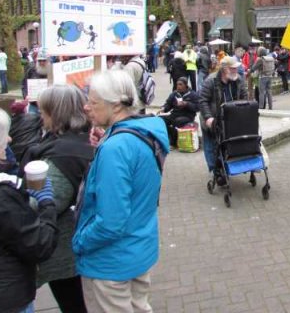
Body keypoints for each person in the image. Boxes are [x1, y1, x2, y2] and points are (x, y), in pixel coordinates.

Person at [74, 70, 169, 312]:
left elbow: (110, 222)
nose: (86, 107)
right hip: (140, 247)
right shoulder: (148, 131)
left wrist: (79, 242)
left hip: (110, 262)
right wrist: (108, 138)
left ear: (115, 105)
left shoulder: (116, 148)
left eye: (93, 102)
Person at [0, 106, 58, 313]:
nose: (10, 140)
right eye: (3, 135)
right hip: (3, 299)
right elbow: (39, 244)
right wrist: (47, 205)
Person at [20, 85, 94, 313]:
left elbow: (47, 201)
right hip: (75, 245)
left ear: (56, 112)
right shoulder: (80, 140)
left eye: (43, 111)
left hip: (65, 250)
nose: (40, 115)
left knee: (73, 304)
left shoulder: (62, 154)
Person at [198, 56, 248, 180]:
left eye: (237, 68)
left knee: (226, 143)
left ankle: (224, 165)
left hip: (230, 118)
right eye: (233, 68)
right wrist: (208, 117)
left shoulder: (238, 80)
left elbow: (244, 97)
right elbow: (202, 100)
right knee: (211, 145)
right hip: (212, 117)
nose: (236, 70)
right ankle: (215, 170)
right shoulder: (211, 80)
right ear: (224, 69)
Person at [159, 77, 200, 148]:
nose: (178, 86)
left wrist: (187, 104)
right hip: (175, 114)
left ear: (186, 85)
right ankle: (167, 138)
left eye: (180, 84)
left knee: (177, 121)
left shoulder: (193, 95)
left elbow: (197, 108)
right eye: (177, 84)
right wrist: (163, 108)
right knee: (160, 120)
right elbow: (168, 104)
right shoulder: (174, 94)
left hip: (187, 116)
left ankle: (173, 143)